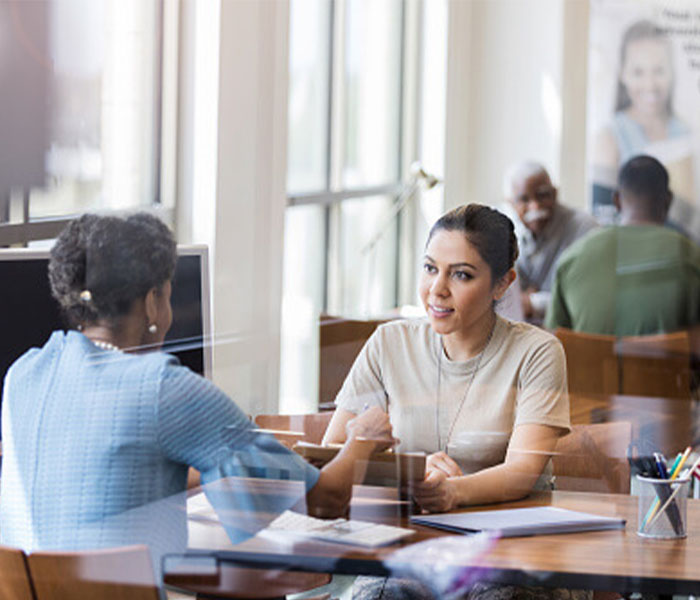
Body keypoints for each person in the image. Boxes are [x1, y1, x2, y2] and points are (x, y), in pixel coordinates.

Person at [0, 213, 393, 570]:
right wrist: (361, 441)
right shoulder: (163, 388)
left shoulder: (24, 374)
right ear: (152, 303)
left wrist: (216, 466)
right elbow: (323, 501)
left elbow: (114, 470)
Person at [546, 155, 700, 336]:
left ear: (617, 200)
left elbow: (553, 338)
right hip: (664, 364)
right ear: (668, 201)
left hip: (591, 364)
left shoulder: (571, 259)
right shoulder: (690, 255)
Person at [592, 20, 696, 231]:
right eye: (638, 72)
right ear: (623, 74)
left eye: (659, 70)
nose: (650, 84)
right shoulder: (610, 136)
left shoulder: (685, 132)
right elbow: (602, 216)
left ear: (672, 72)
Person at [502, 161, 596, 322]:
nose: (535, 206)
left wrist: (533, 303)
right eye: (524, 199)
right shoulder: (501, 227)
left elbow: (588, 297)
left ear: (555, 193)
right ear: (511, 203)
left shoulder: (584, 228)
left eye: (542, 195)